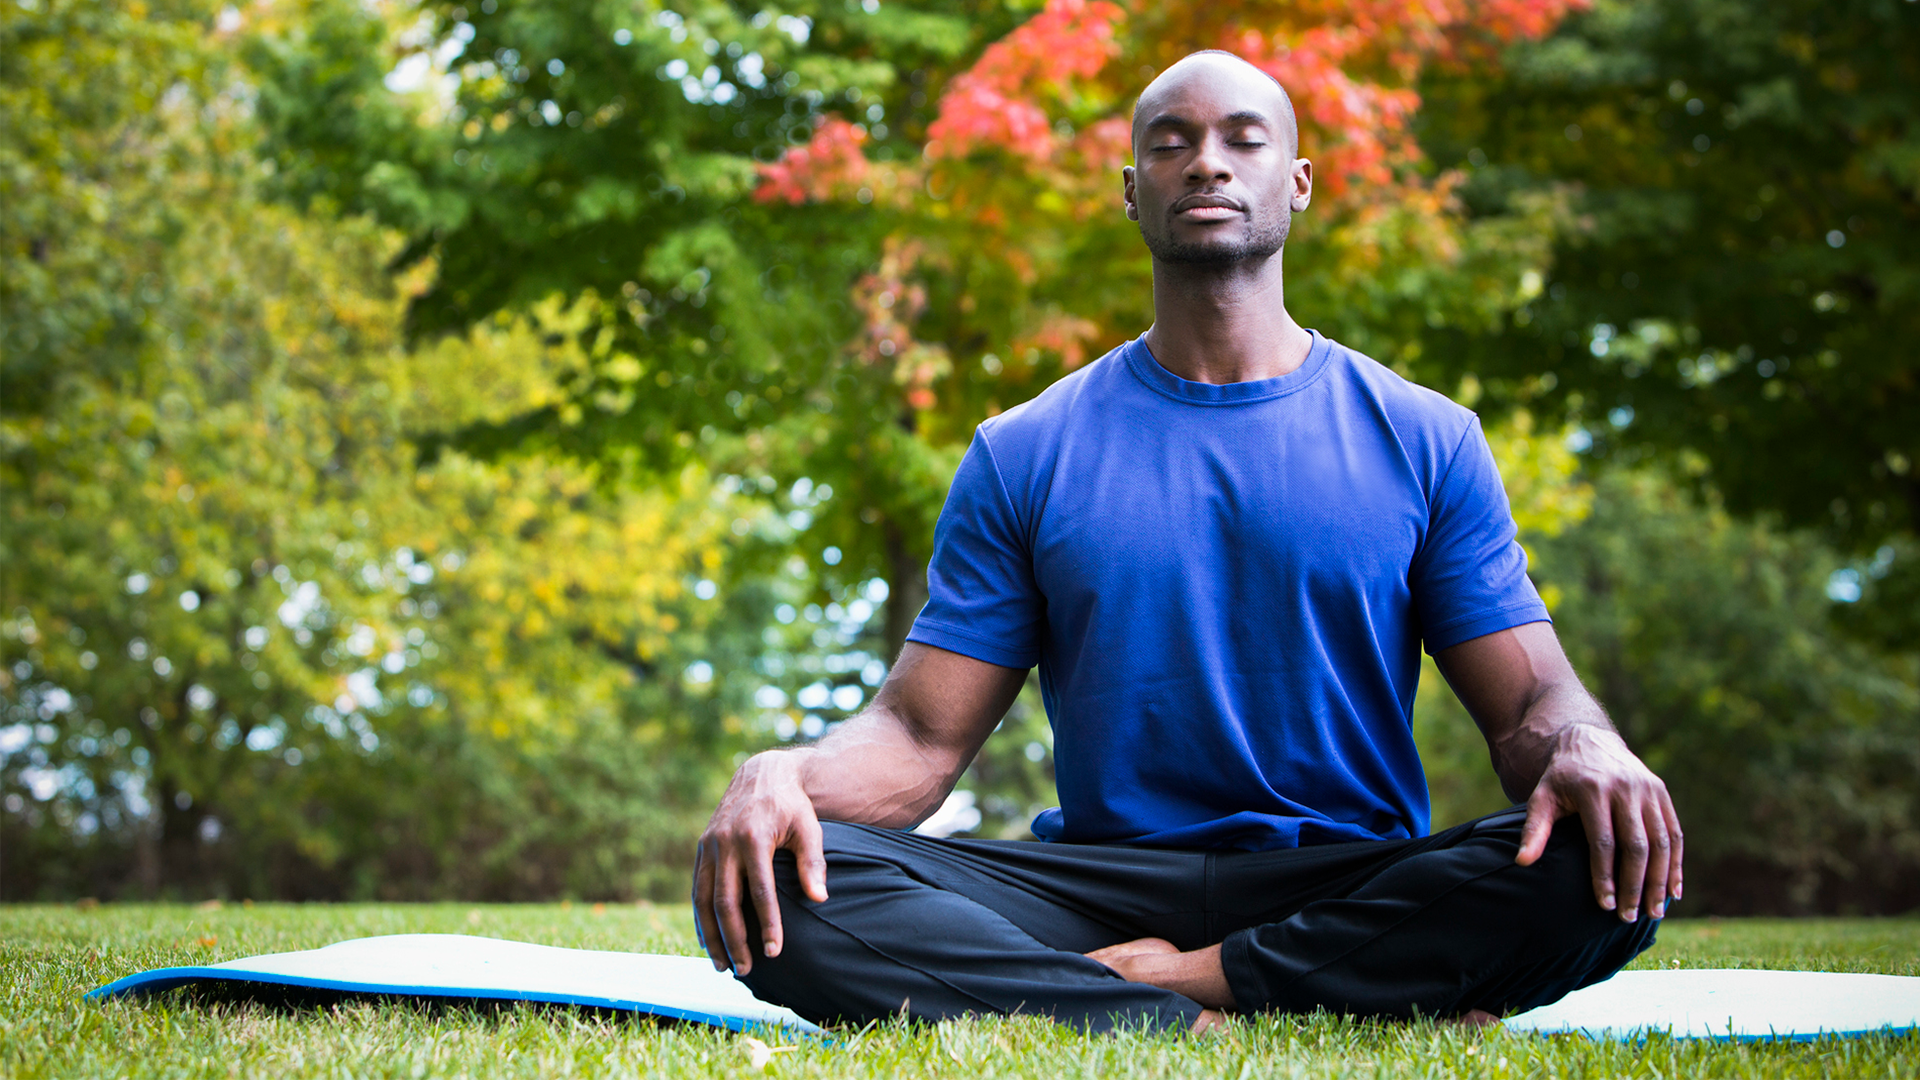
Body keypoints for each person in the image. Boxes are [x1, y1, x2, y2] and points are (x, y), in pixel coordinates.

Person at [693, 50, 1683, 1035]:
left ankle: (1186, 985)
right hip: (1100, 883)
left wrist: (1588, 744)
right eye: (1172, 145)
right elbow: (916, 741)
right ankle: (1286, 996)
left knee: (1600, 852)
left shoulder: (1427, 439)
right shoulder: (1024, 450)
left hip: (1343, 874)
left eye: (1243, 141)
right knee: (781, 876)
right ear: (1133, 193)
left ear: (1297, 184)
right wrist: (785, 775)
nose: (1207, 164)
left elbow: (1527, 712)